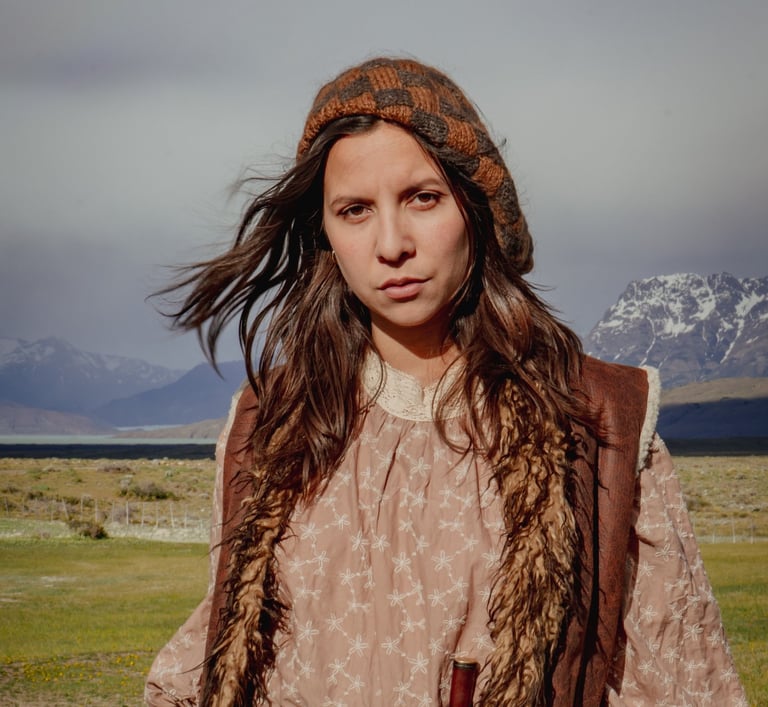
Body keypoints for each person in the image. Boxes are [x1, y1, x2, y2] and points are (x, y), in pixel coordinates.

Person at [145, 57, 747, 706]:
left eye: (422, 198)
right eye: (354, 210)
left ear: (476, 206)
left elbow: (680, 678)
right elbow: (215, 662)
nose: (392, 244)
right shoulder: (270, 423)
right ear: (326, 233)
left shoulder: (599, 421)